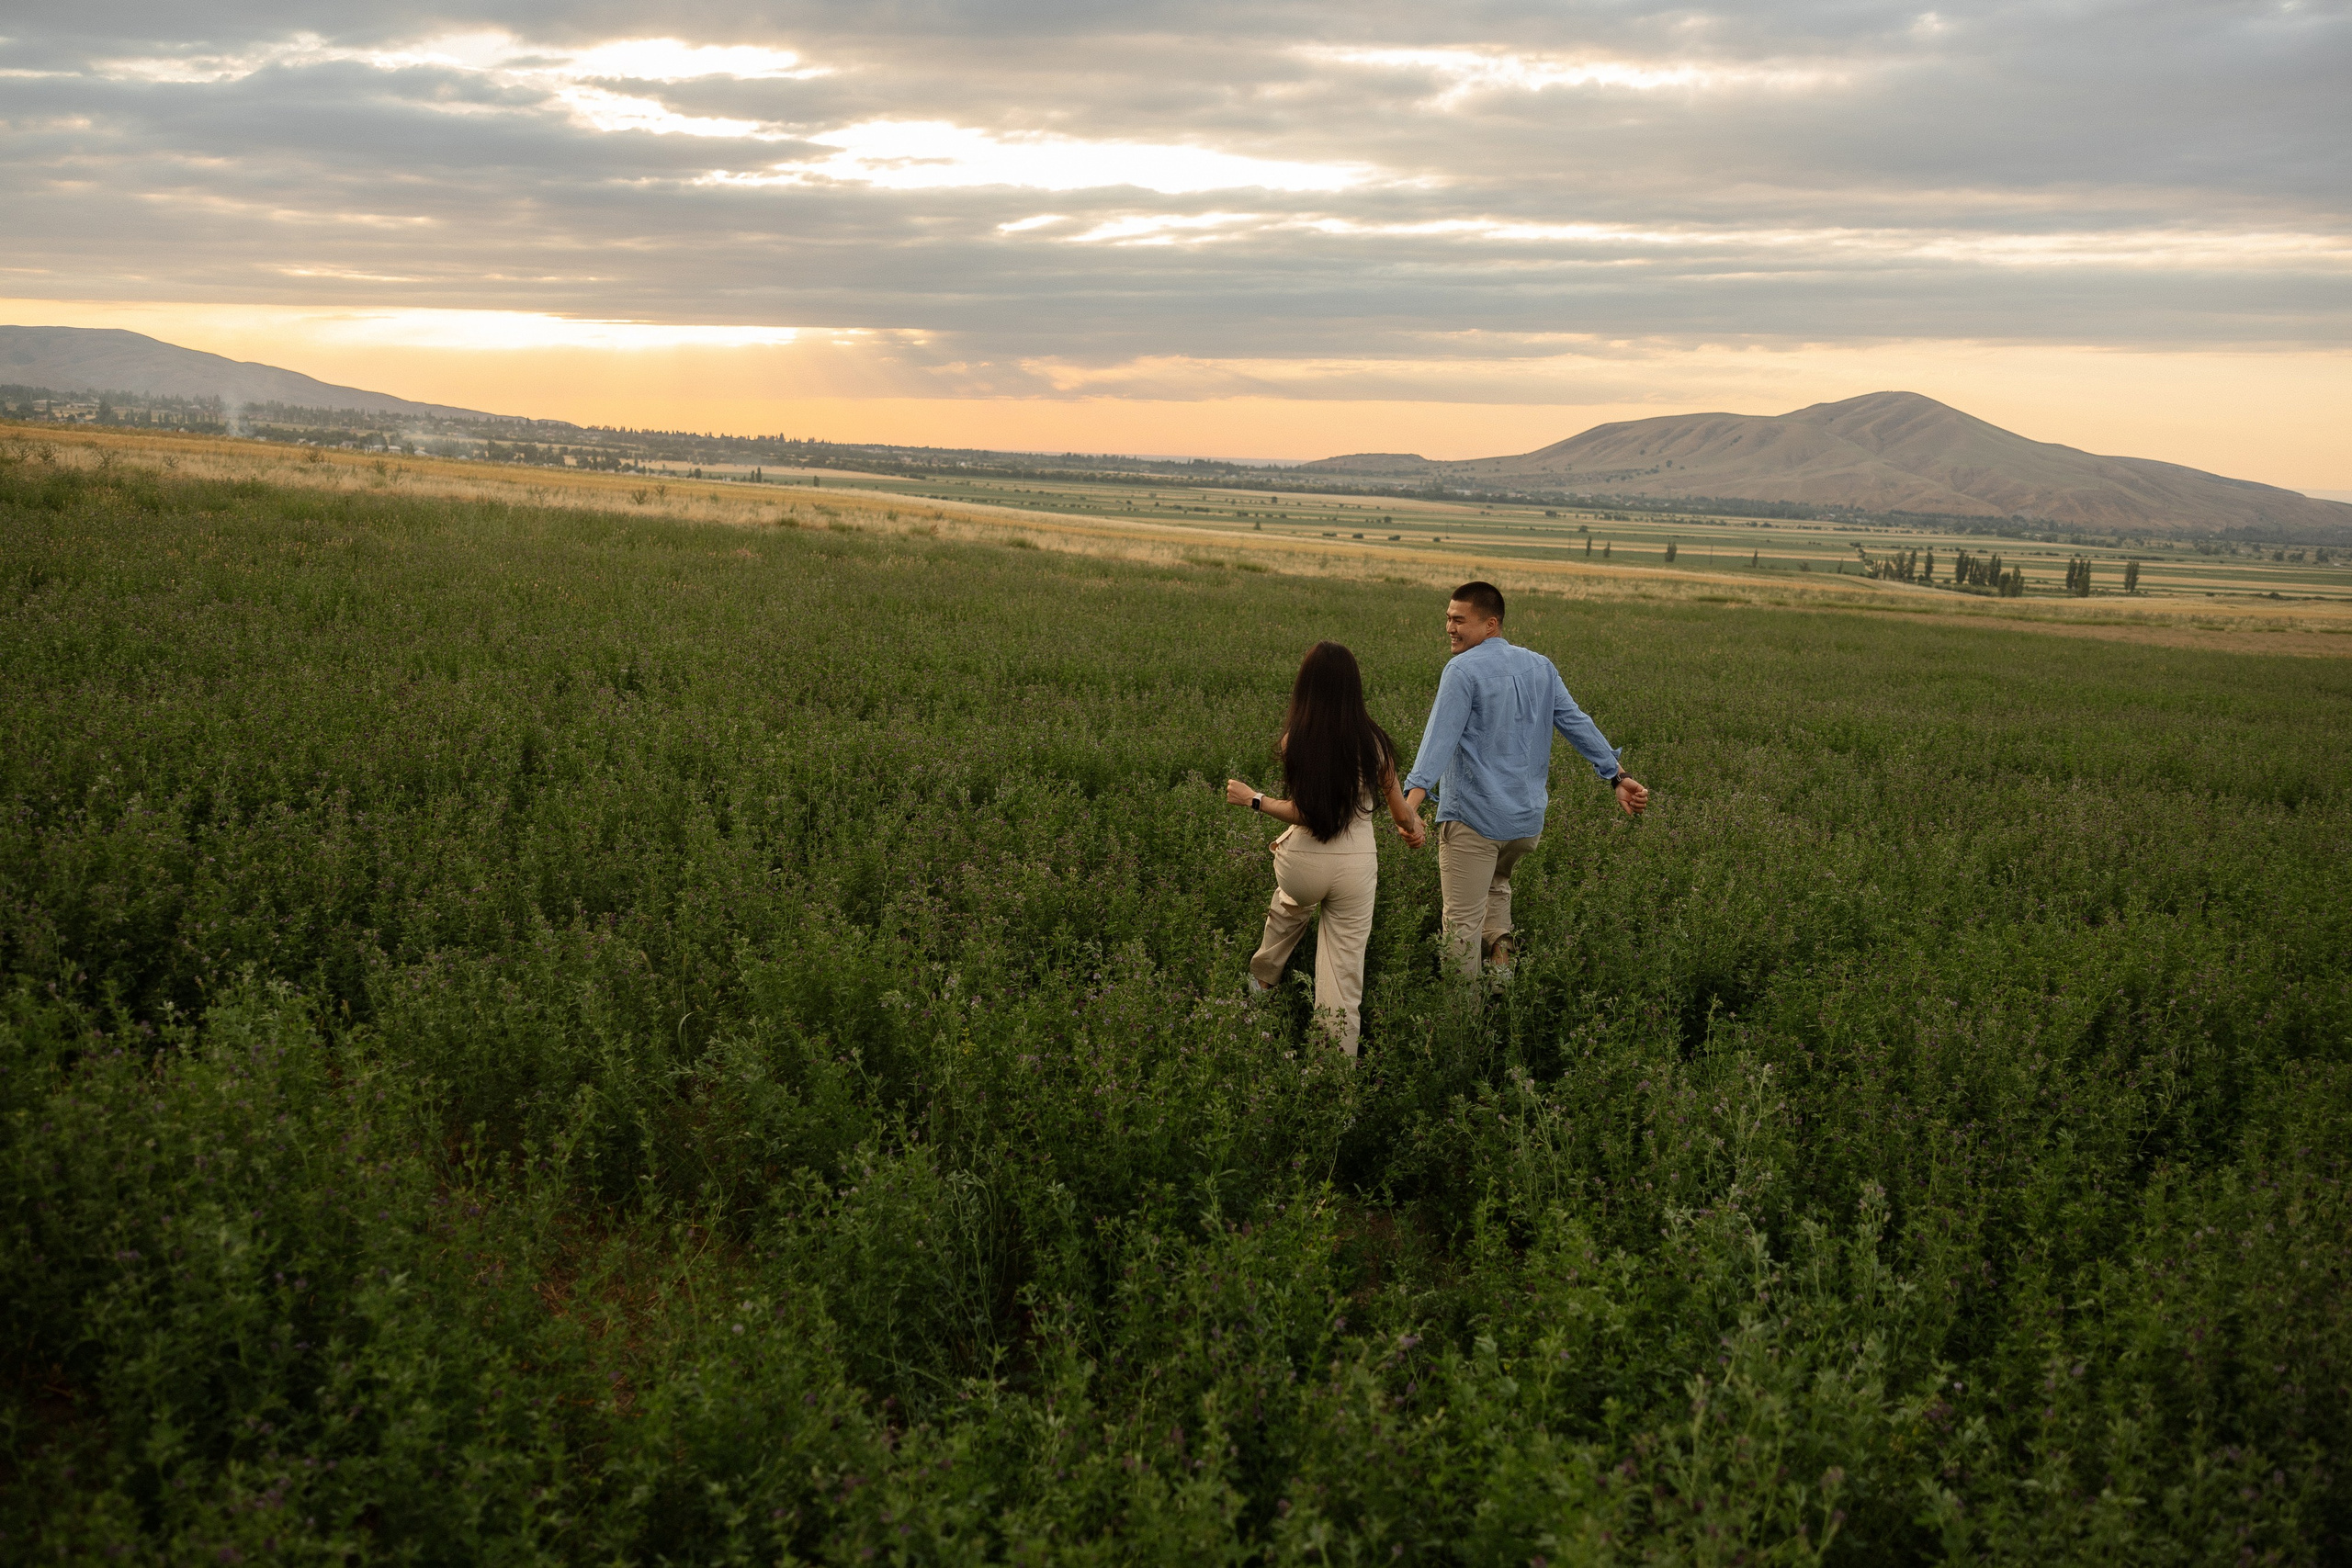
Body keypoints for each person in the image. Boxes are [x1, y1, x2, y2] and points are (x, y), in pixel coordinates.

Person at [1401, 581, 1648, 978]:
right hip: (1523, 825)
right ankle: (1501, 974)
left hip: (1474, 820)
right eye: (1448, 618)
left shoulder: (1462, 670)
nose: (1449, 627)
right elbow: (1576, 723)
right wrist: (1618, 776)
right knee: (1496, 886)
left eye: (1459, 620)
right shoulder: (1540, 666)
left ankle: (1463, 1023)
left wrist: (1409, 810)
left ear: (1490, 624)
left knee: (1460, 929)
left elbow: (1436, 745)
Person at [1226, 641, 1426, 1056]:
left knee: (1290, 899)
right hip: (1355, 868)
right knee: (1342, 974)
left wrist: (1255, 799)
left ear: (1306, 686)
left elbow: (1306, 812)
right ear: (1354, 689)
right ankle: (1330, 1082)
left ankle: (1262, 981)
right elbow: (1401, 814)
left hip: (1303, 866)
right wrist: (1414, 828)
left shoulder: (1295, 740)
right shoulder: (1376, 745)